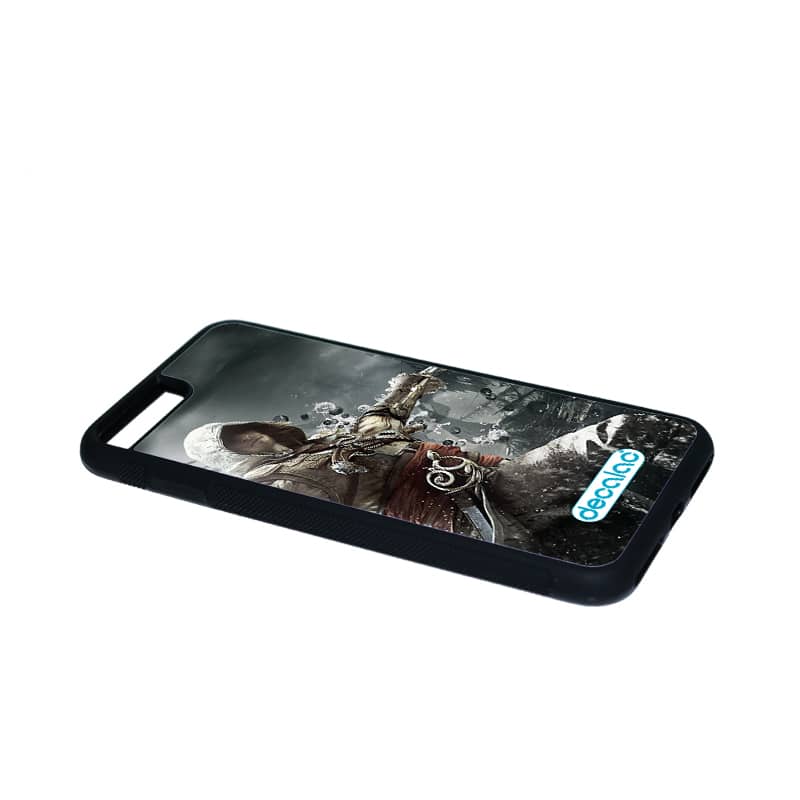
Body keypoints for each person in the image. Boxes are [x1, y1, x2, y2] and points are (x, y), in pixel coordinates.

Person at [184, 369, 694, 556]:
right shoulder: (268, 486)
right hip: (462, 517)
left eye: (244, 429)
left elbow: (377, 422)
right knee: (614, 448)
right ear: (231, 457)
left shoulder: (326, 439)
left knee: (622, 456)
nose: (255, 436)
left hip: (489, 479)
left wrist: (406, 390)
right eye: (239, 441)